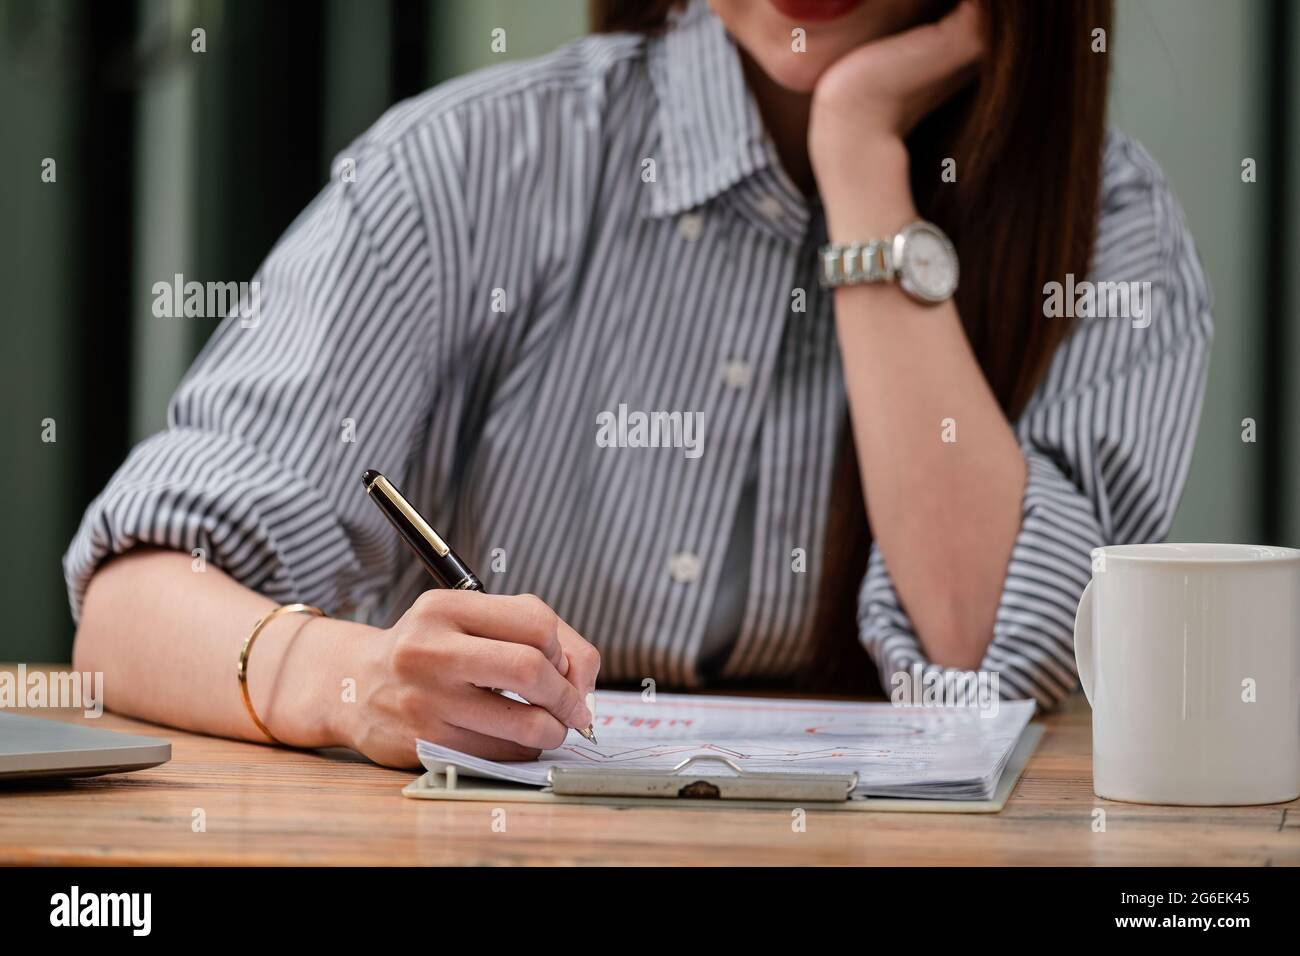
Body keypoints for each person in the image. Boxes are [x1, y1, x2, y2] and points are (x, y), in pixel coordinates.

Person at [66, 0, 1211, 767]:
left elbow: (983, 652)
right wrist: (345, 676)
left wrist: (862, 160)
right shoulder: (474, 163)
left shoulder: (1109, 226)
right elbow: (126, 612)